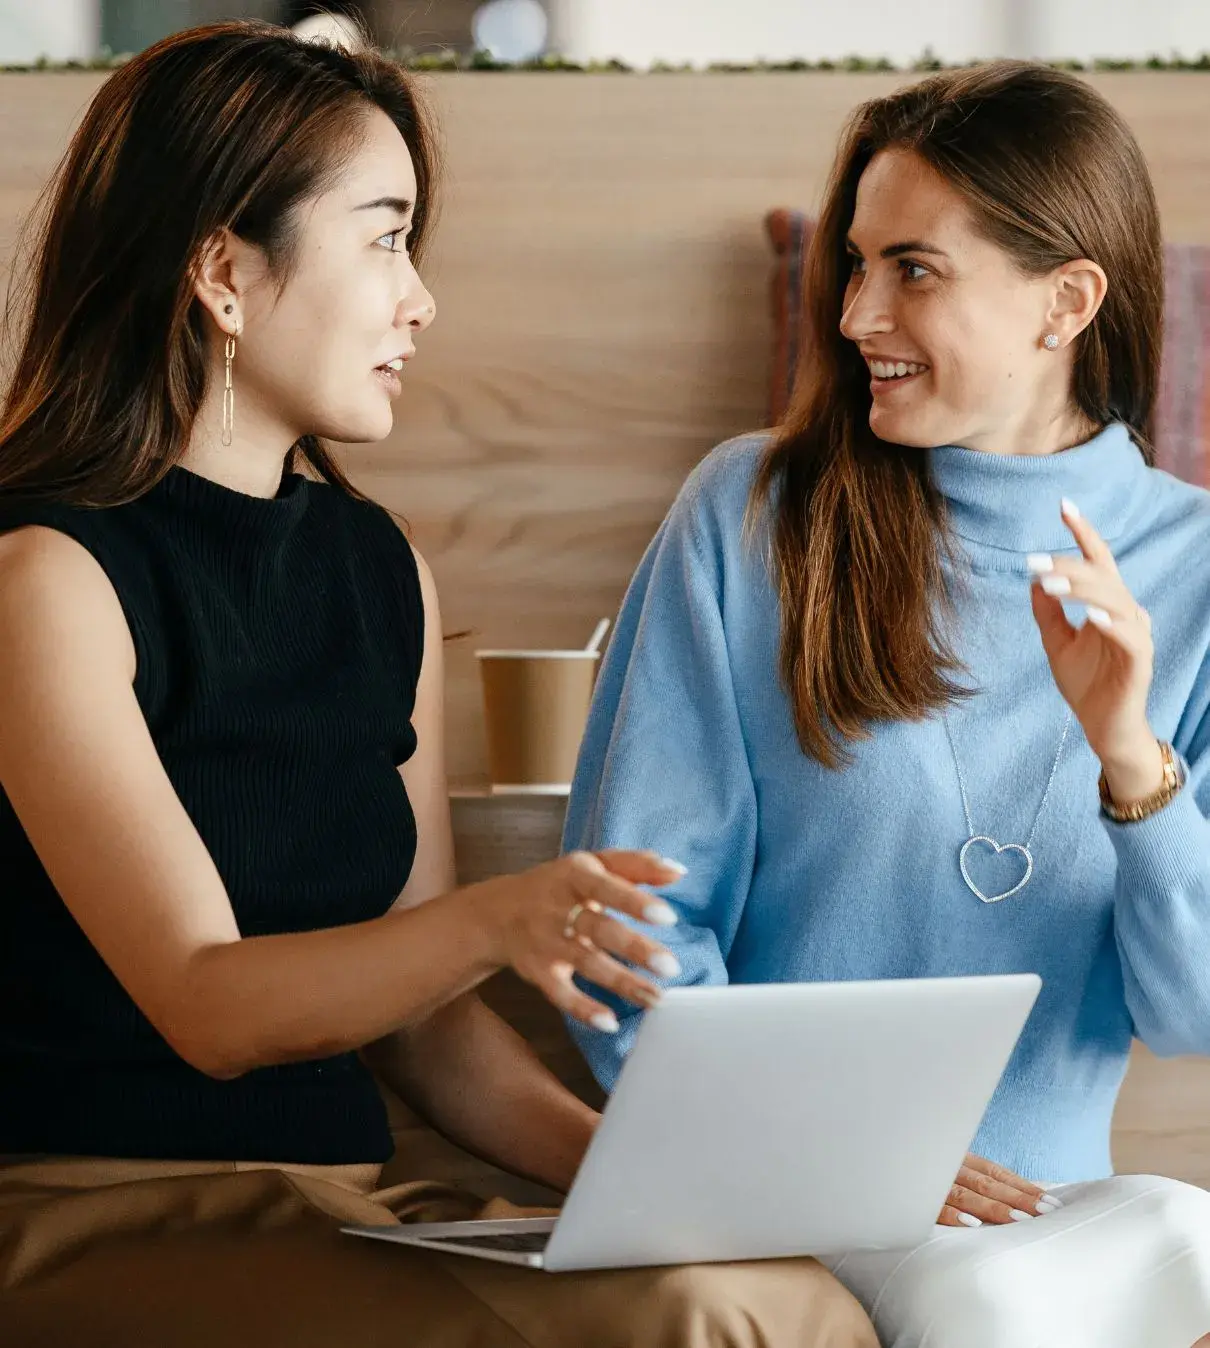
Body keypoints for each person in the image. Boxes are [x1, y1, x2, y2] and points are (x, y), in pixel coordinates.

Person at [0, 21, 879, 1348]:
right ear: (223, 272)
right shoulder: (43, 578)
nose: (421, 300)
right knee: (698, 1325)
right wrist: (494, 920)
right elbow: (207, 1002)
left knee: (790, 1296)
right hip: (99, 1205)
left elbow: (429, 1033)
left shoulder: (377, 566)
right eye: (384, 236)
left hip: (342, 1201)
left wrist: (666, 1191)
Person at [563, 61, 1210, 1348]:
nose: (856, 314)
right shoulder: (751, 517)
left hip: (1049, 1216)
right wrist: (826, 1157)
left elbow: (1190, 1013)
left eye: (912, 268)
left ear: (1064, 302)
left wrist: (1130, 757)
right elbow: (628, 933)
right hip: (784, 1203)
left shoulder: (1194, 571)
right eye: (853, 264)